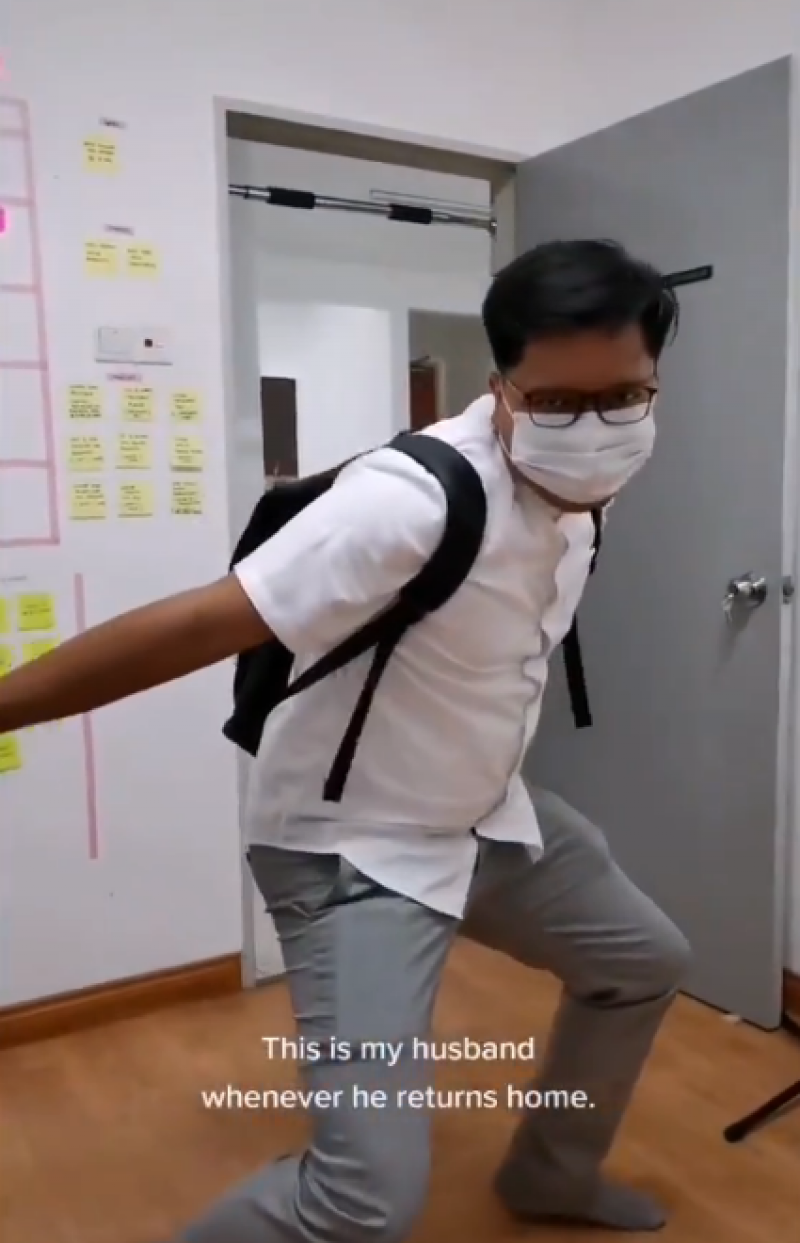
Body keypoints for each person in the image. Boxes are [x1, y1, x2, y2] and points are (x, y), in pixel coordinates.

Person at [0, 240, 689, 1241]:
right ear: (499, 389)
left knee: (642, 958)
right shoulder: (406, 502)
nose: (593, 431)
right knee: (360, 1203)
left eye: (623, 397)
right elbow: (197, 624)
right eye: (554, 403)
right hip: (352, 848)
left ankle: (552, 1171)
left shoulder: (590, 482)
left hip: (484, 815)